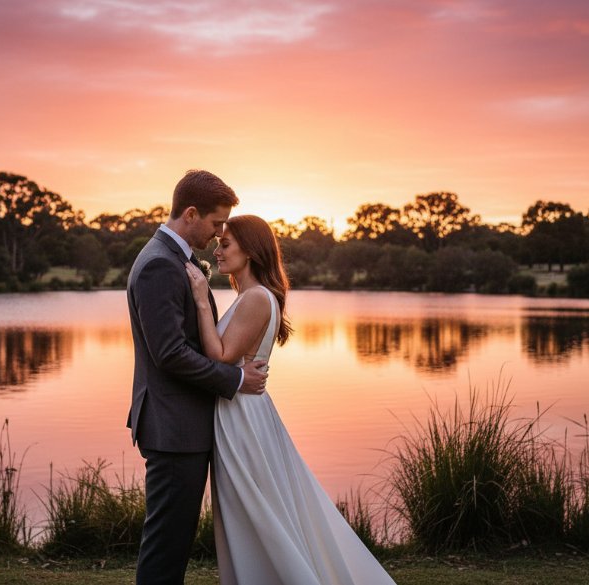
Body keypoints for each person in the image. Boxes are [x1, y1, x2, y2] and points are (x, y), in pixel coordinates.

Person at [184, 215, 397, 585]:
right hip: (240, 413)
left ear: (250, 251)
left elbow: (219, 356)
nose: (217, 251)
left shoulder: (256, 299)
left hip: (242, 420)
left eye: (226, 244)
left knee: (255, 510)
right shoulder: (248, 297)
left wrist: (202, 302)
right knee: (252, 510)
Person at [126, 170, 269, 585]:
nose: (219, 232)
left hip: (183, 426)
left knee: (175, 542)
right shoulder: (159, 265)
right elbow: (169, 354)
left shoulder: (175, 260)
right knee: (166, 546)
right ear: (191, 213)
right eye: (216, 223)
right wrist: (235, 381)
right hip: (173, 428)